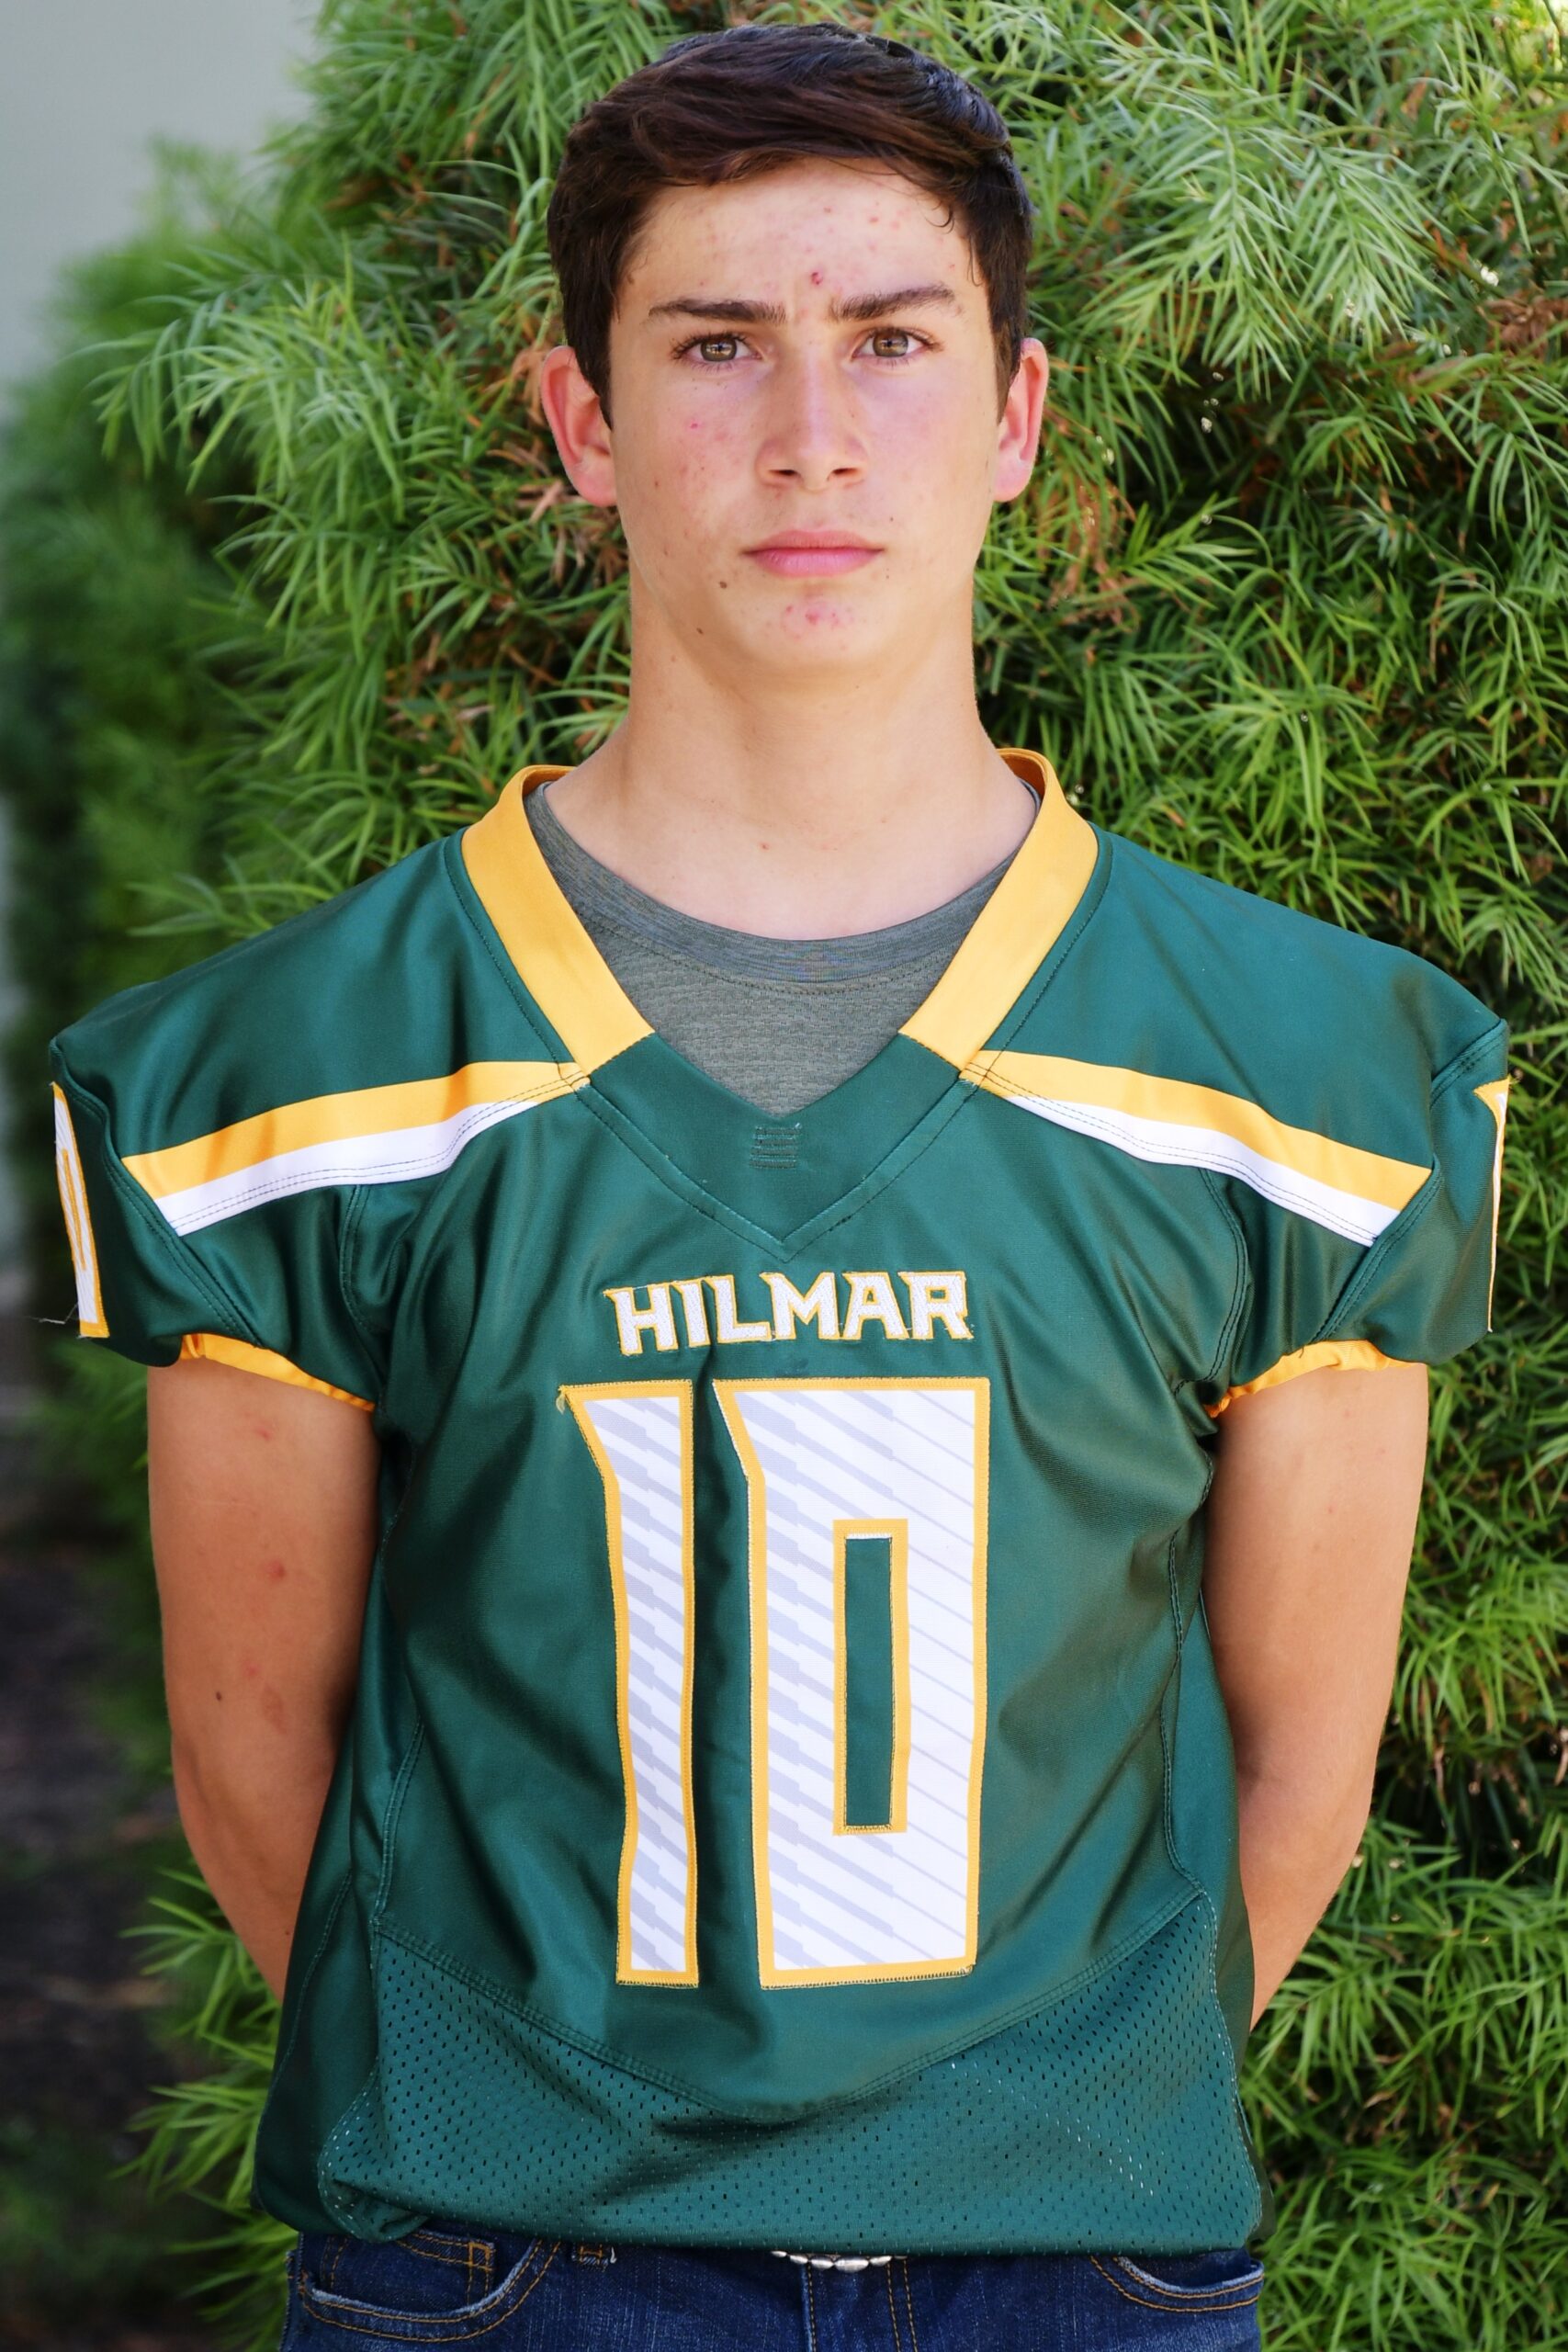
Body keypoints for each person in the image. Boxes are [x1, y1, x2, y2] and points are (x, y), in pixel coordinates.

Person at [47, 21, 1510, 2352]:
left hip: (1077, 2268)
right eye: (716, 343)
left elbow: (1290, 1778)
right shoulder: (299, 1073)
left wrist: (1012, 2136)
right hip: (500, 2263)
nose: (812, 435)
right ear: (582, 421)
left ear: (1014, 414)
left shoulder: (1300, 1069)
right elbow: (259, 1771)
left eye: (893, 344)